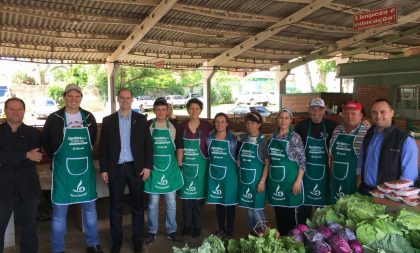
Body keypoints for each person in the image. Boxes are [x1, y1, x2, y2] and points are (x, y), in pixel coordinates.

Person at [42, 84, 103, 253]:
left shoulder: (89, 117)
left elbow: (92, 140)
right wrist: (58, 154)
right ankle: (58, 249)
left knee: (90, 211)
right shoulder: (54, 118)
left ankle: (93, 244)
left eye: (77, 96)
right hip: (62, 172)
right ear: (64, 97)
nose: (73, 99)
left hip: (84, 169)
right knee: (59, 213)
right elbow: (46, 141)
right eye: (70, 96)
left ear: (81, 98)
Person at [99, 88, 153, 253]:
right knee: (115, 207)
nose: (125, 100)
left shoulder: (141, 120)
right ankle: (117, 241)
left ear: (132, 99)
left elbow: (148, 145)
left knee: (137, 207)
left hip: (136, 168)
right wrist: (103, 169)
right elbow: (103, 148)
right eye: (122, 98)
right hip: (115, 169)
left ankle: (137, 240)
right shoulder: (108, 121)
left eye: (128, 98)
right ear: (117, 99)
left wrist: (148, 166)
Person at [0, 98, 43, 253]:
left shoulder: (34, 133)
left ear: (24, 111)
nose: (16, 112)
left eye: (19, 109)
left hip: (28, 188)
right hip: (3, 189)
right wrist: (25, 154)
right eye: (12, 109)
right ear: (5, 111)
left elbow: (35, 158)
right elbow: (28, 157)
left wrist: (8, 158)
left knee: (29, 231)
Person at [143, 97, 183, 245]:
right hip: (153, 168)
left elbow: (179, 146)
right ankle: (152, 231)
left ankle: (172, 230)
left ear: (167, 111)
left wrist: (179, 166)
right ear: (154, 110)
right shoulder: (148, 125)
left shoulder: (173, 126)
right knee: (152, 203)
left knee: (171, 202)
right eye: (158, 109)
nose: (160, 112)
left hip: (170, 168)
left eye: (163, 109)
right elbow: (144, 148)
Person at [358, 98, 418, 194]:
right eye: (374, 112)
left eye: (383, 112)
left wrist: (393, 197)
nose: (378, 116)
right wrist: (359, 182)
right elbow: (361, 161)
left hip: (389, 196)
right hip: (365, 191)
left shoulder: (405, 140)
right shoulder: (368, 136)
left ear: (392, 113)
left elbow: (408, 178)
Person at [294, 97, 337, 224]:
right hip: (305, 173)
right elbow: (294, 147)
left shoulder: (332, 126)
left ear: (324, 111)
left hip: (323, 173)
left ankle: (320, 235)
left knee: (322, 211)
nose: (316, 112)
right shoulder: (302, 126)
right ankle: (301, 232)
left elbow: (347, 130)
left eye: (319, 109)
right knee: (304, 208)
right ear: (309, 110)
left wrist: (364, 124)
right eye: (313, 109)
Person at [176, 98, 211, 237]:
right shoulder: (181, 126)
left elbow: (213, 141)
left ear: (200, 110)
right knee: (186, 199)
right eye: (191, 108)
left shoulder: (207, 126)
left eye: (197, 108)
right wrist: (179, 165)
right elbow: (179, 145)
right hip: (186, 166)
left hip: (201, 167)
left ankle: (197, 225)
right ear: (187, 109)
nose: (194, 111)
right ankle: (187, 225)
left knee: (198, 199)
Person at [267, 108, 305, 235]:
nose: (283, 120)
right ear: (277, 120)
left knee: (290, 214)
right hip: (275, 182)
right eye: (281, 117)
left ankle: (293, 241)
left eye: (286, 118)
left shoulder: (295, 137)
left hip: (290, 182)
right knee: (279, 213)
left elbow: (302, 161)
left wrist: (298, 180)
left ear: (291, 120)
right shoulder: (272, 136)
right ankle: (282, 240)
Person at [206, 112, 238, 237]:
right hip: (215, 175)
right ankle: (221, 229)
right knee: (219, 203)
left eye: (222, 121)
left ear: (227, 124)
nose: (220, 124)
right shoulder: (209, 139)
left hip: (230, 176)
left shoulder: (233, 139)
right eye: (217, 121)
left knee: (229, 204)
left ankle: (230, 229)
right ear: (214, 123)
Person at [329, 101, 369, 203]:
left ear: (360, 115)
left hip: (355, 182)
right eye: (346, 113)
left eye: (353, 113)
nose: (349, 116)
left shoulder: (367, 131)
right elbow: (332, 156)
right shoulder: (337, 130)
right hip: (336, 180)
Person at [238, 112, 269, 236]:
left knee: (257, 209)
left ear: (259, 124)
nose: (250, 126)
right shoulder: (244, 138)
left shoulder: (263, 142)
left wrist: (262, 182)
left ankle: (263, 233)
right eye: (248, 123)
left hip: (257, 181)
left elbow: (267, 164)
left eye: (253, 123)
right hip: (245, 180)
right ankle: (253, 233)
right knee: (250, 209)